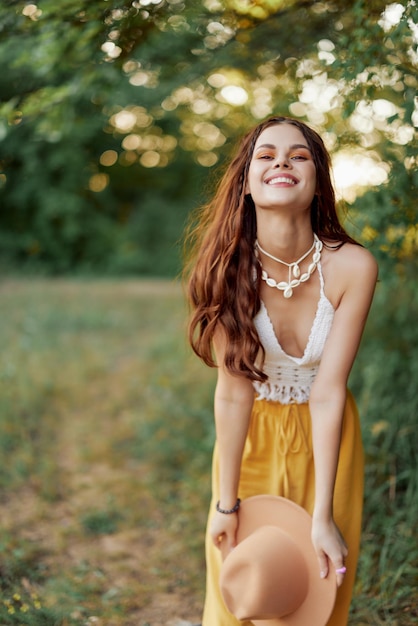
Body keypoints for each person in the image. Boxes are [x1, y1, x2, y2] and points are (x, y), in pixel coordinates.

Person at [184, 116, 378, 626]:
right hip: (250, 437)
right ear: (246, 182)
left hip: (328, 435)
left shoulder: (353, 267)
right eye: (265, 155)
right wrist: (226, 503)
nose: (281, 163)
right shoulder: (227, 268)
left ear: (317, 181)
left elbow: (329, 391)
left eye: (298, 155)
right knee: (243, 588)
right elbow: (232, 394)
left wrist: (322, 516)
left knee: (318, 585)